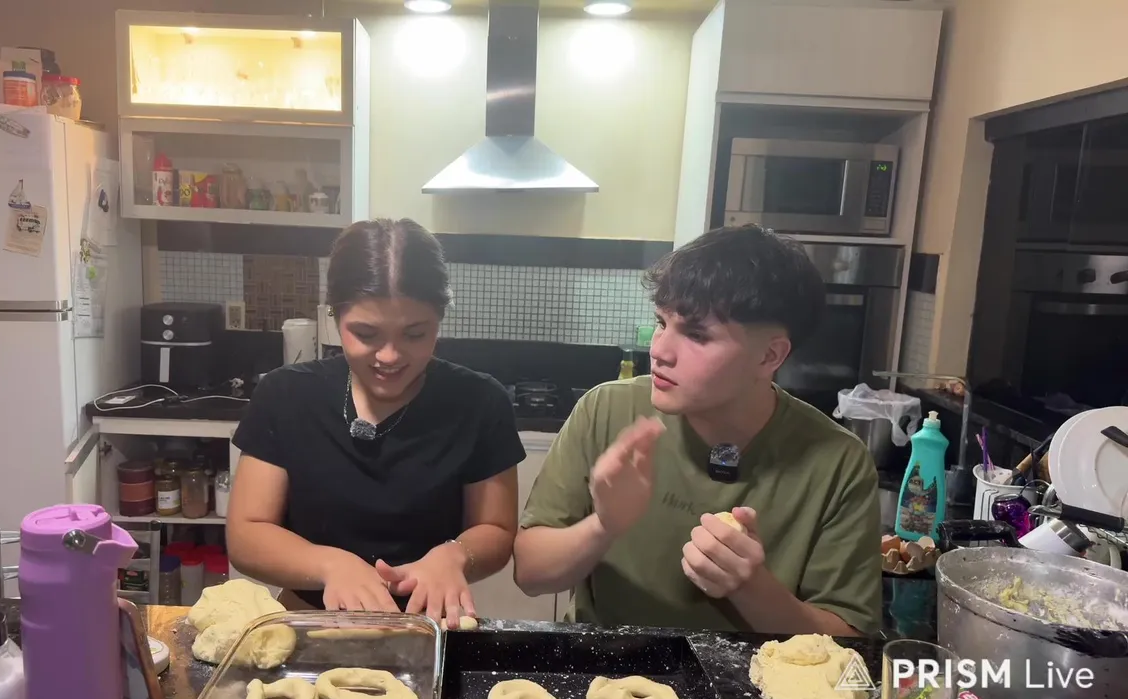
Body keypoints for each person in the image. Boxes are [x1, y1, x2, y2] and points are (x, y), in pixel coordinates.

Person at [513, 224, 881, 635]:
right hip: (604, 665)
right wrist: (603, 525)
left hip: (753, 675)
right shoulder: (606, 410)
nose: (659, 350)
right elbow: (531, 573)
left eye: (696, 334)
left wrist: (751, 587)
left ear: (769, 356)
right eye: (661, 322)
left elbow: (850, 640)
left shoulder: (838, 462)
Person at [227, 218, 524, 624]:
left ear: (439, 319)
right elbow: (247, 534)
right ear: (334, 317)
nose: (390, 356)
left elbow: (496, 529)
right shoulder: (285, 395)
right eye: (366, 334)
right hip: (309, 622)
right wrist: (330, 565)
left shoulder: (480, 403)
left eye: (414, 335)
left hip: (430, 623)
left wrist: (454, 555)